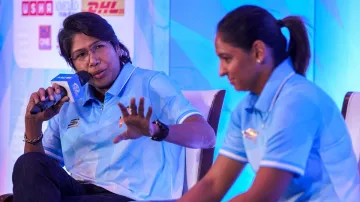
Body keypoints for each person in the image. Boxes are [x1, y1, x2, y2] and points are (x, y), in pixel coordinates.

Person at [12, 12, 216, 202]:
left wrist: (155, 129)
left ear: (117, 47)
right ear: (73, 65)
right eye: (81, 55)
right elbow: (37, 174)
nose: (93, 61)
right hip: (79, 190)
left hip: (129, 196)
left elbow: (206, 136)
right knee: (27, 164)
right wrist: (33, 124)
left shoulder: (151, 82)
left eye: (98, 47)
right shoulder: (67, 100)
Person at [179, 5, 360, 202]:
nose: (221, 71)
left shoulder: (297, 102)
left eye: (227, 58)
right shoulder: (245, 111)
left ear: (258, 51)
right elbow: (213, 184)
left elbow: (262, 197)